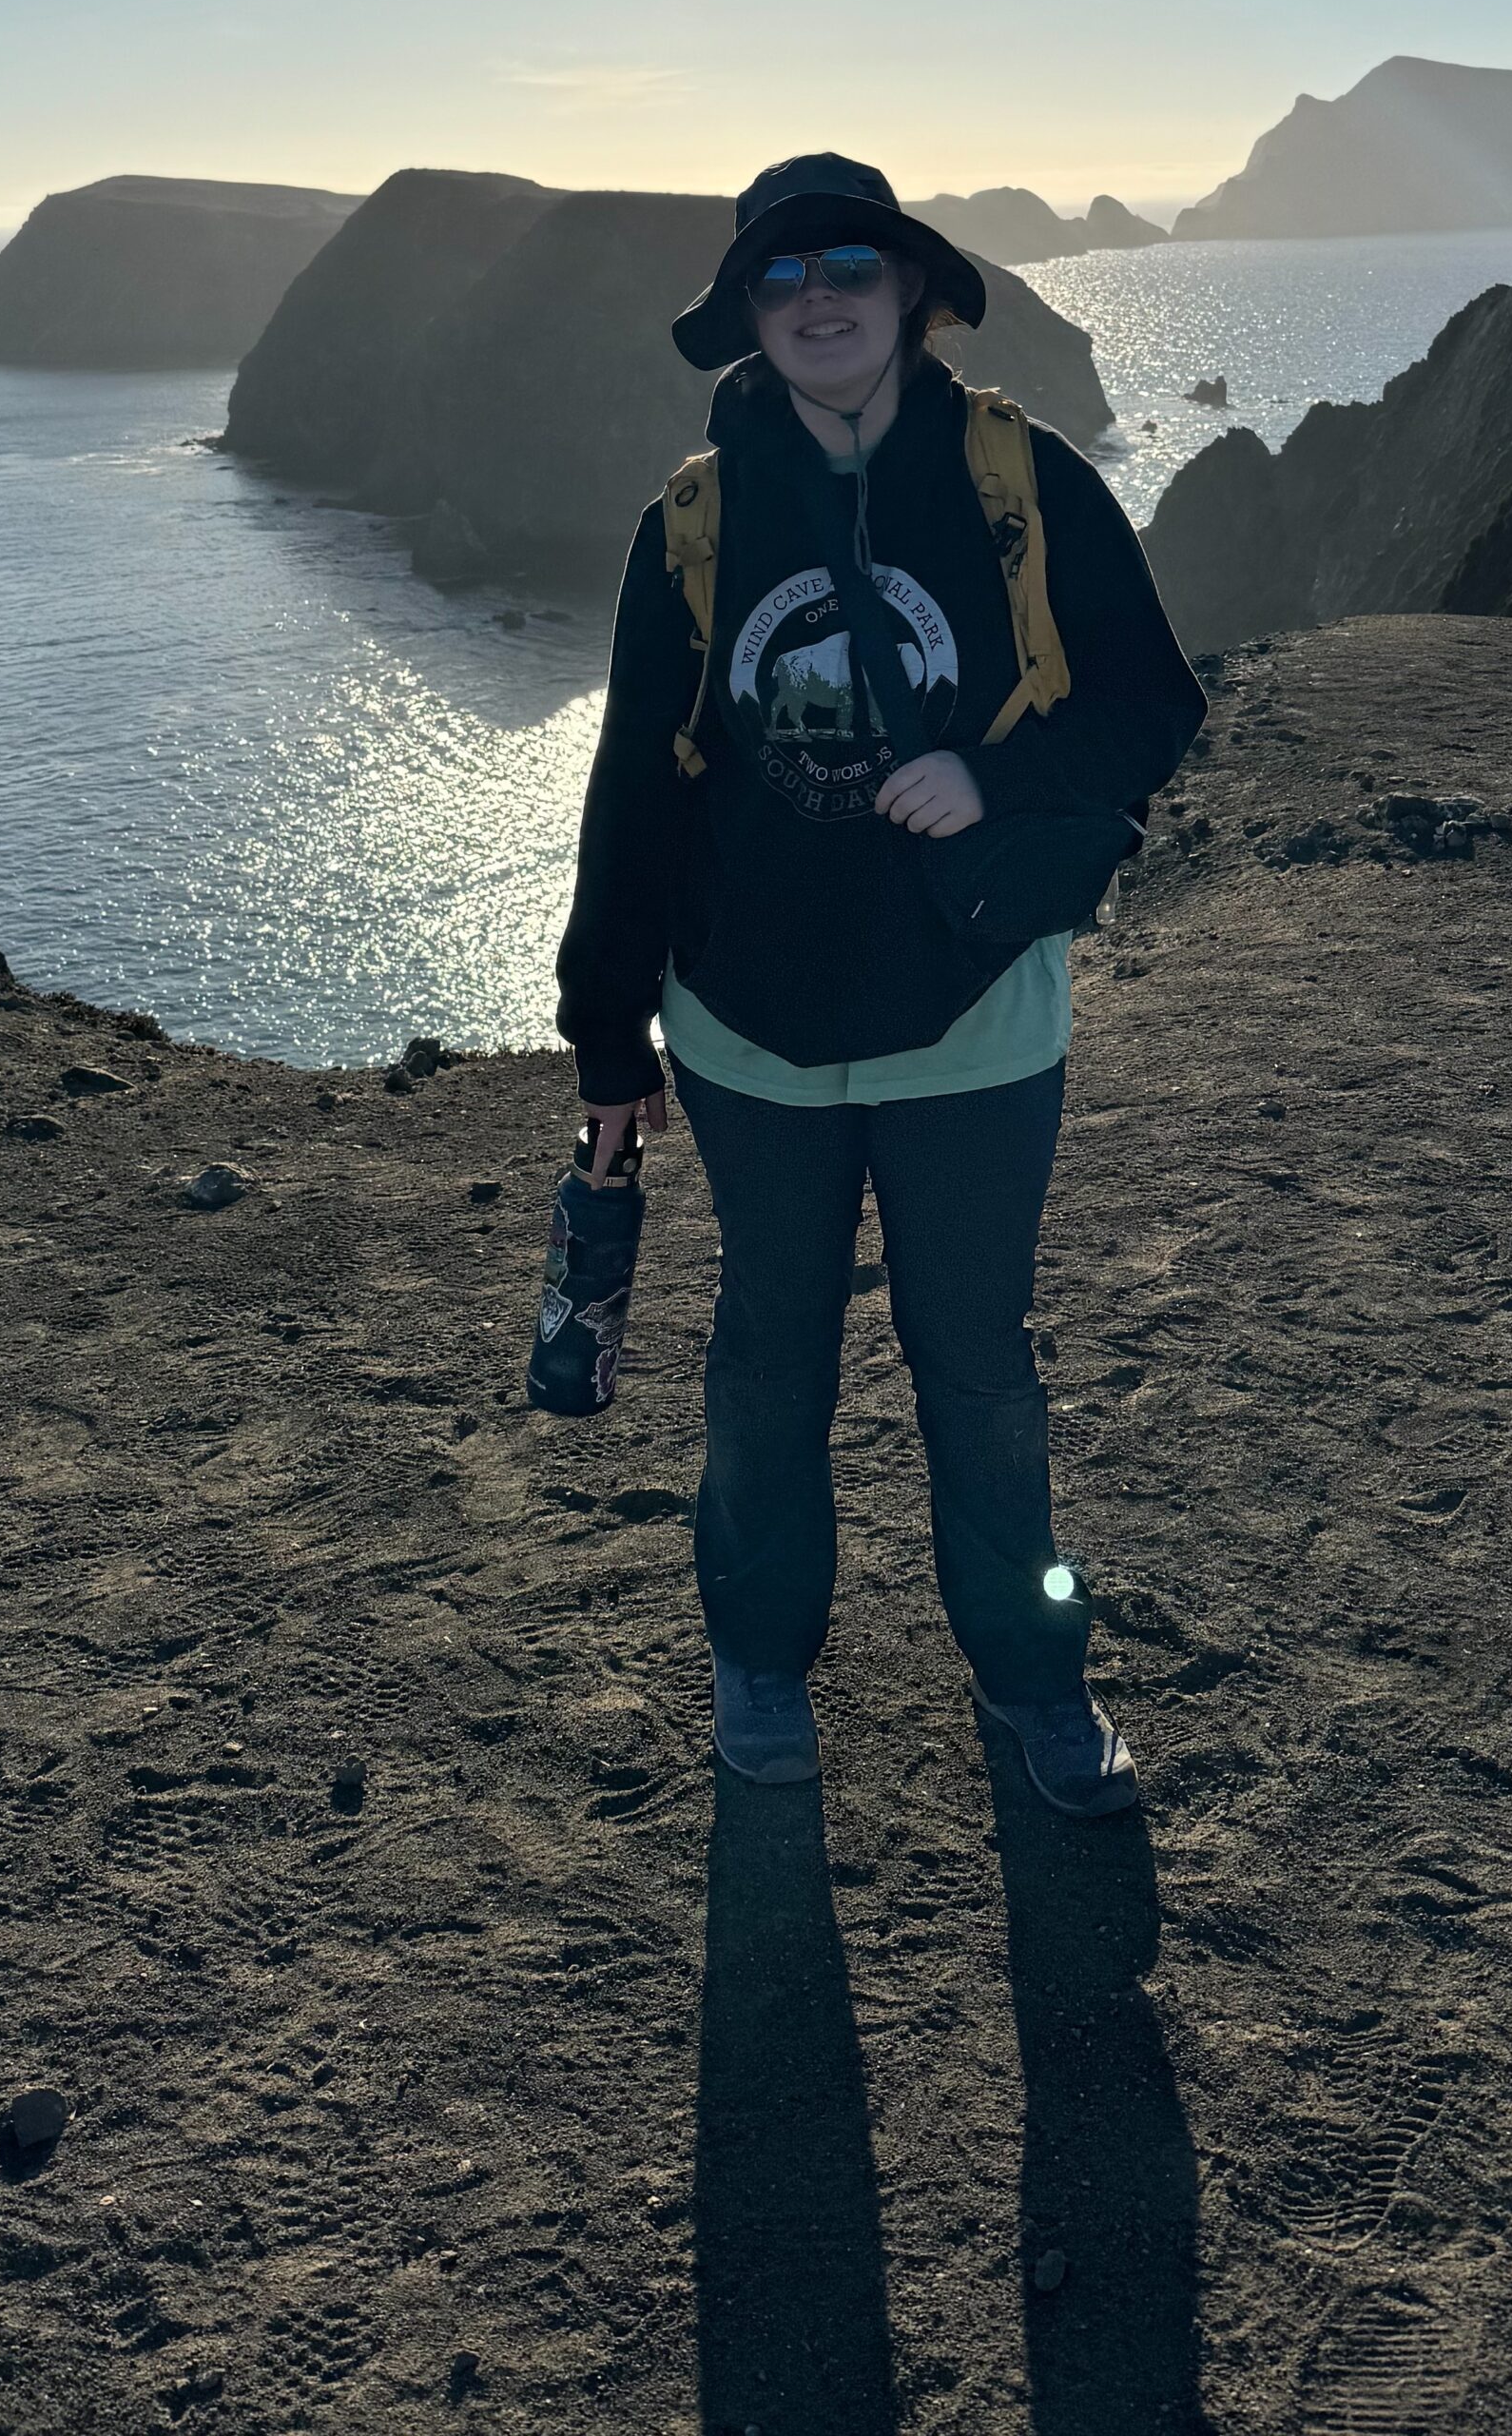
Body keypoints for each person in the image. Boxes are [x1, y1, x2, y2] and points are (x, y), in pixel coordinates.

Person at [554, 153, 1205, 1814]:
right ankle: (760, 1654)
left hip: (974, 1020)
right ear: (751, 319)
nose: (819, 298)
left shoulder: (1022, 480)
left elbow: (1151, 702)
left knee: (976, 1362)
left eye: (851, 264)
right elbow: (635, 781)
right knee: (772, 1354)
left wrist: (1007, 785)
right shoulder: (692, 522)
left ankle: (1036, 1681)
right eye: (782, 280)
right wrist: (604, 1031)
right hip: (748, 1036)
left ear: (913, 289)